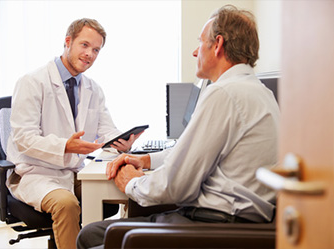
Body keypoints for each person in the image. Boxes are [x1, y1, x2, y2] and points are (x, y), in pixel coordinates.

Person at [77, 5, 280, 249]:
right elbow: (190, 152)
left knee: (90, 236)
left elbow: (175, 186)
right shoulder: (259, 92)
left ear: (217, 44)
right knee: (93, 234)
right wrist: (146, 161)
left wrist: (131, 182)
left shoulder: (224, 93)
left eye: (200, 42)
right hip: (234, 222)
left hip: (212, 226)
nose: (195, 52)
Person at [6, 18, 141, 249]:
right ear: (68, 42)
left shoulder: (92, 88)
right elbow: (23, 138)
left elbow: (106, 129)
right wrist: (65, 146)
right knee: (66, 204)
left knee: (127, 188)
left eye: (96, 50)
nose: (90, 54)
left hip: (73, 172)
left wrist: (124, 141)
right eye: (85, 45)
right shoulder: (32, 82)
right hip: (36, 174)